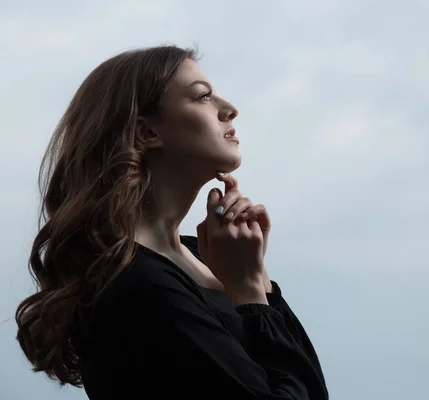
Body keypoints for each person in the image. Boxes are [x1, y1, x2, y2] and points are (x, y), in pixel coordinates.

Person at [15, 45, 328, 399]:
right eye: (203, 97)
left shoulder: (207, 258)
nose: (229, 109)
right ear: (147, 133)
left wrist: (257, 281)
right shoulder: (136, 283)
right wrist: (251, 291)